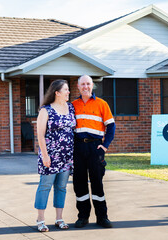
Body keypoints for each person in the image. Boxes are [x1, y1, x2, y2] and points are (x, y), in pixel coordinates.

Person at [72, 75, 116, 228]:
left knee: (97, 182)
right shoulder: (73, 105)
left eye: (88, 84)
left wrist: (105, 146)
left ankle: (102, 217)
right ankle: (83, 216)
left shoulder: (102, 104)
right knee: (79, 183)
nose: (85, 87)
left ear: (92, 86)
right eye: (82, 84)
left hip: (95, 147)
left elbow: (111, 126)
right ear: (78, 86)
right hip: (78, 148)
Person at [34, 79, 76, 232]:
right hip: (50, 156)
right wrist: (45, 156)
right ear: (57, 93)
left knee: (61, 187)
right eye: (66, 90)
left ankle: (59, 218)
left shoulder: (70, 107)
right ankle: (41, 219)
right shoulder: (46, 110)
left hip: (66, 157)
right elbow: (40, 134)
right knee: (45, 186)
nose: (68, 92)